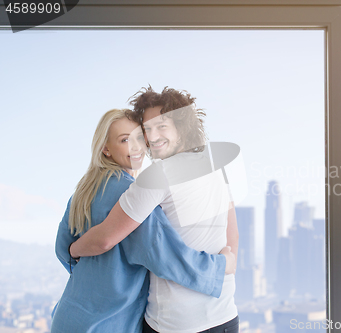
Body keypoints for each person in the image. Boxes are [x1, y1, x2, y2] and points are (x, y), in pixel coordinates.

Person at [70, 87, 240, 333]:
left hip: (175, 324)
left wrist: (72, 249)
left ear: (182, 128)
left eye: (162, 126)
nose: (152, 136)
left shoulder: (159, 175)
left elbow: (106, 239)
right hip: (225, 316)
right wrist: (228, 264)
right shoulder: (215, 167)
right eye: (146, 129)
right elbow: (232, 234)